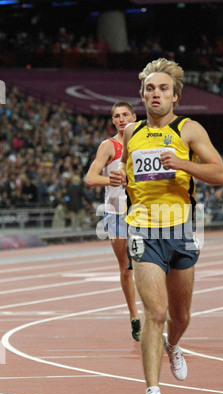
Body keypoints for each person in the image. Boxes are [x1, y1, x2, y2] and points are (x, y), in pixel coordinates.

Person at [110, 58, 223, 394]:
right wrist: (118, 179)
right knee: (155, 311)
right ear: (142, 95)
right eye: (149, 88)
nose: (155, 94)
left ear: (175, 96)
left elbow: (219, 174)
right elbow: (129, 172)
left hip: (181, 230)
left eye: (163, 88)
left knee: (181, 316)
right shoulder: (131, 133)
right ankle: (152, 393)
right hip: (143, 230)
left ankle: (173, 345)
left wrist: (183, 164)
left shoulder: (189, 130)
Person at [85, 101, 141, 342]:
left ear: (134, 116)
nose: (121, 119)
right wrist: (113, 181)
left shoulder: (144, 144)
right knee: (127, 268)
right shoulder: (109, 146)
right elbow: (90, 177)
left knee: (153, 265)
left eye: (125, 114)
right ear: (113, 121)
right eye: (117, 116)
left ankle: (158, 314)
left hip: (144, 212)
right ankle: (135, 318)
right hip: (116, 214)